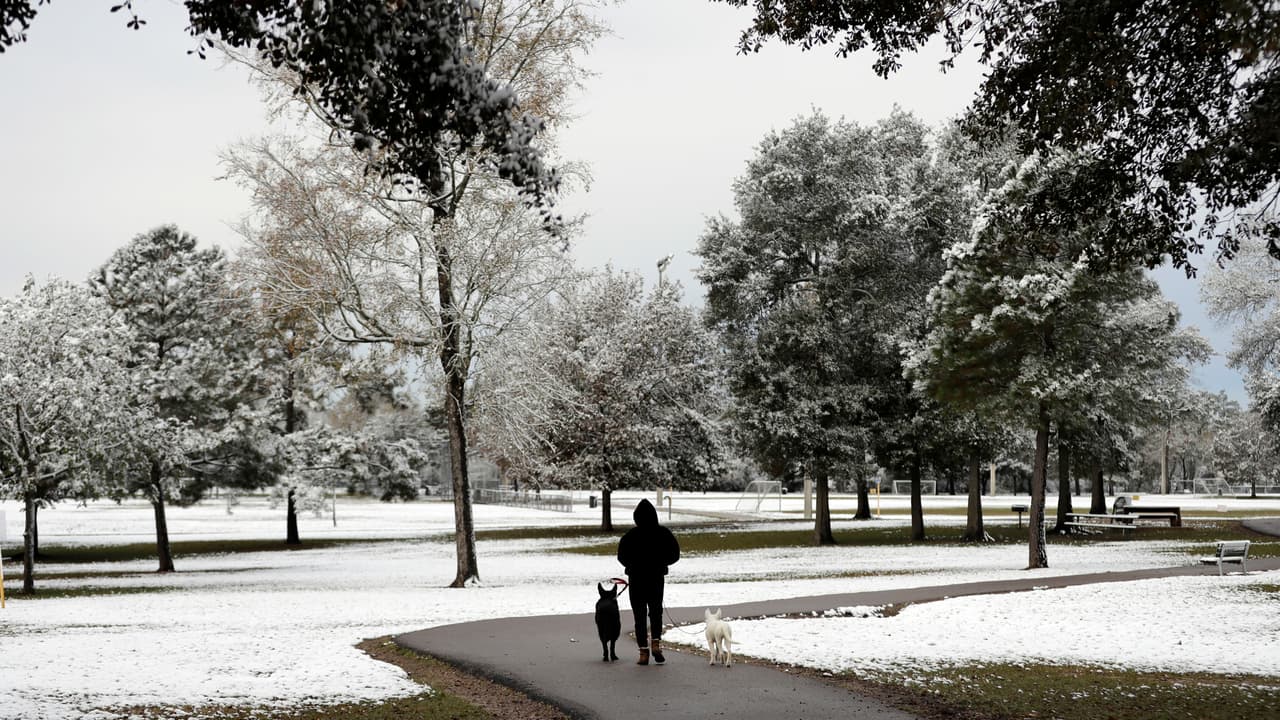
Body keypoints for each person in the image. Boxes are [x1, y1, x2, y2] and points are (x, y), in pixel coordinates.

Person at [616, 498, 680, 665]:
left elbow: (621, 556)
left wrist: (632, 565)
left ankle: (643, 653)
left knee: (639, 616)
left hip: (636, 580)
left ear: (636, 517)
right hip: (656, 579)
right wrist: (662, 563)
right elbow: (675, 554)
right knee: (656, 613)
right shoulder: (663, 533)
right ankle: (656, 643)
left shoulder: (630, 536)